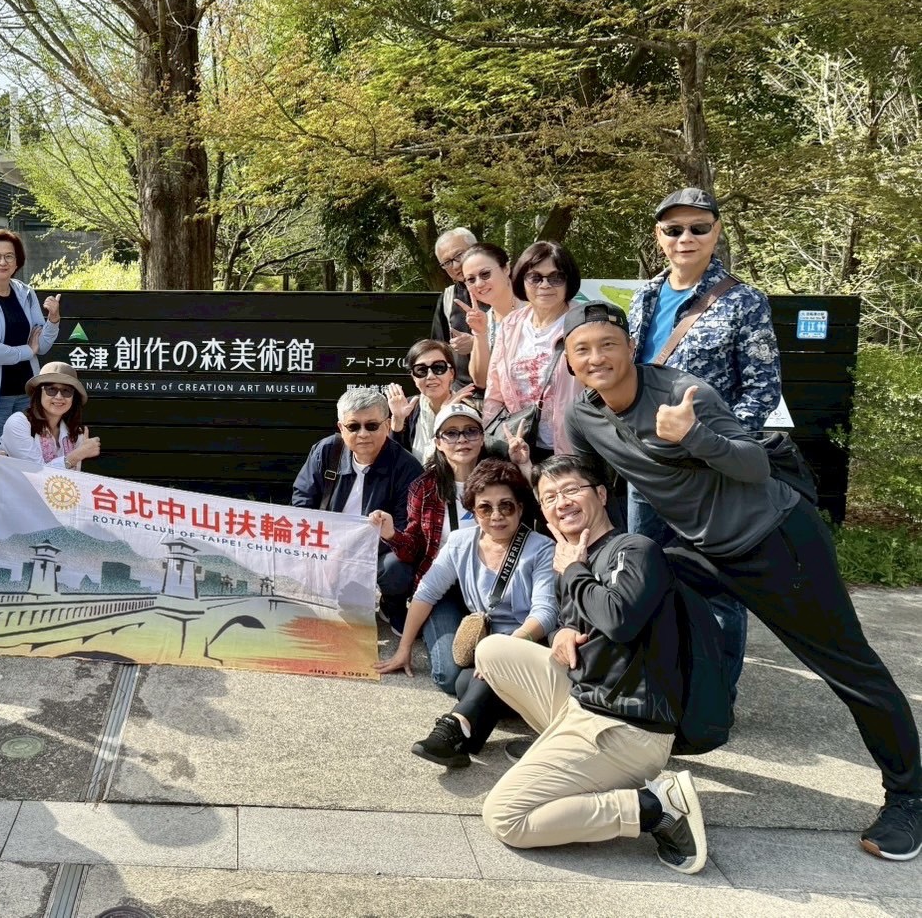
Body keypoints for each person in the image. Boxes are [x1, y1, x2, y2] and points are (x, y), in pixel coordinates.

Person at [559, 300, 922, 861]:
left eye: (608, 344)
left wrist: (693, 436)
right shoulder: (584, 417)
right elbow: (585, 484)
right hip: (704, 551)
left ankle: (909, 797)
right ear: (569, 362)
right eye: (582, 349)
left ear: (631, 347)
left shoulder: (685, 393)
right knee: (636, 605)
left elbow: (753, 463)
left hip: (776, 543)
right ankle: (631, 740)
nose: (596, 357)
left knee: (849, 667)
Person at [477, 456, 706, 875]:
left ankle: (655, 806)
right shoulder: (575, 557)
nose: (561, 502)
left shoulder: (635, 550)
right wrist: (563, 630)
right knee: (493, 650)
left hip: (625, 727)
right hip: (585, 703)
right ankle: (559, 756)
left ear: (601, 494)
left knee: (506, 818)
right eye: (549, 497)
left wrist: (574, 570)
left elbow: (619, 619)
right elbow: (574, 616)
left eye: (571, 490)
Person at [627, 187, 782, 703]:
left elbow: (762, 389)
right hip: (648, 467)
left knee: (714, 586)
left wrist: (712, 445)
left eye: (698, 227)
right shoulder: (645, 297)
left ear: (716, 232)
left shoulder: (745, 301)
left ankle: (713, 698)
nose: (685, 238)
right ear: (659, 236)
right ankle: (656, 683)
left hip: (707, 471)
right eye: (674, 229)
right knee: (644, 574)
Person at [375, 459, 556, 766]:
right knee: (460, 683)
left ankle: (450, 730)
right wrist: (403, 648)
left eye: (506, 506)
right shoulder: (460, 542)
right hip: (485, 646)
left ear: (521, 508)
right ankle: (465, 738)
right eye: (485, 508)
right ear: (473, 510)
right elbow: (427, 592)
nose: (496, 516)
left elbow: (546, 611)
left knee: (480, 679)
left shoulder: (541, 548)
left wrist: (505, 651)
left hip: (528, 643)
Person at [369, 403, 528, 689]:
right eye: (451, 433)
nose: (462, 440)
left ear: (482, 437)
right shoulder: (424, 487)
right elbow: (414, 551)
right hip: (444, 589)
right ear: (438, 442)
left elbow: (539, 517)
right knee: (449, 675)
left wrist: (525, 467)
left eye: (470, 431)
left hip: (497, 585)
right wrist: (392, 534)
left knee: (509, 665)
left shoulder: (503, 478)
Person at [293, 387, 423, 633]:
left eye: (372, 426)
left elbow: (406, 528)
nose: (363, 434)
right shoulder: (326, 451)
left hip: (379, 550)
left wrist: (353, 554)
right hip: (329, 545)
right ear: (341, 428)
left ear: (387, 425)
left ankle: (392, 604)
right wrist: (317, 547)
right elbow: (303, 501)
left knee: (397, 568)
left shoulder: (407, 467)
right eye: (353, 426)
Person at [482, 241, 582, 461]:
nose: (545, 285)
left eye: (556, 277)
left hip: (573, 446)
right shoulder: (510, 325)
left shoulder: (585, 322)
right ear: (522, 280)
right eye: (535, 278)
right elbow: (494, 392)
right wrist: (495, 437)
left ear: (569, 281)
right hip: (520, 446)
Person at [0, 229, 60, 443]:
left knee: (27, 454)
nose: (2, 262)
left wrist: (53, 320)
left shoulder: (26, 292)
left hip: (27, 393)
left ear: (17, 262)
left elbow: (42, 346)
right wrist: (27, 351)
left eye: (9, 256)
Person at [1, 361, 101, 470]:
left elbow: (73, 478)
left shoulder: (76, 433)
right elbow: (37, 473)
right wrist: (76, 455)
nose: (59, 397)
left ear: (74, 397)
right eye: (51, 389)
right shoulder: (19, 423)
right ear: (39, 393)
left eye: (66, 391)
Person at [385, 339, 468, 465]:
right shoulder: (408, 409)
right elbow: (391, 462)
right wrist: (398, 421)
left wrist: (444, 416)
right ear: (414, 377)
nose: (430, 376)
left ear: (451, 373)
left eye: (438, 368)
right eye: (421, 370)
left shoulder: (467, 411)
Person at [458, 243, 523, 391]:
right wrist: (480, 334)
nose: (479, 284)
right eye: (471, 279)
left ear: (506, 269)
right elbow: (481, 381)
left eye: (485, 274)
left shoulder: (534, 309)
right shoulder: (484, 321)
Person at [426, 227, 480, 389]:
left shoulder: (509, 291)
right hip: (462, 392)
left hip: (507, 390)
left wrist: (478, 344)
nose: (456, 266)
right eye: (447, 263)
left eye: (459, 255)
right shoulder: (448, 299)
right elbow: (438, 349)